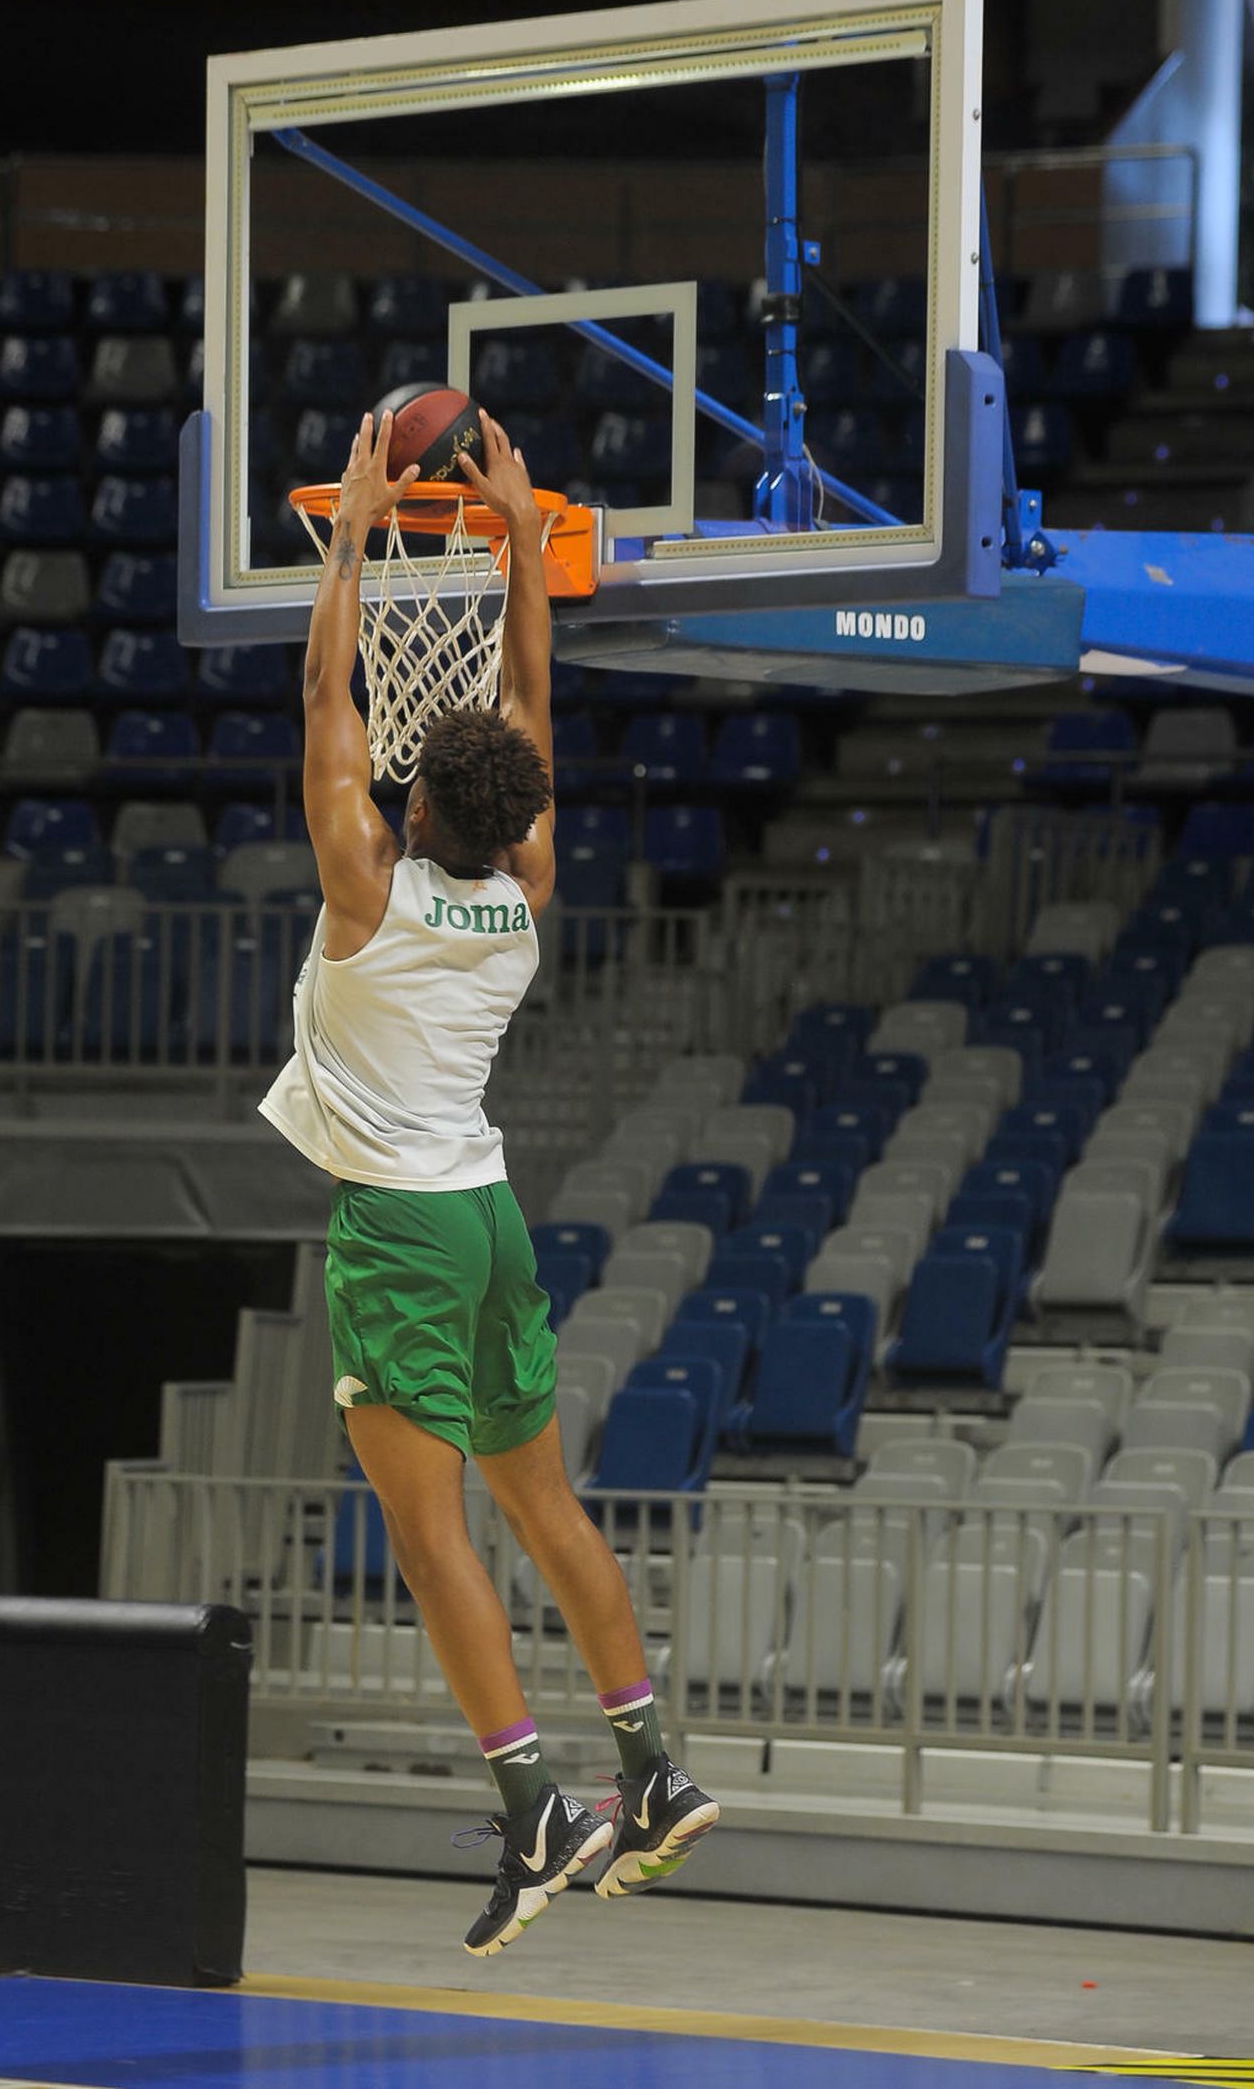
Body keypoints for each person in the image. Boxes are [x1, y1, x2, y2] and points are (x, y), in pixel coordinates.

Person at [260, 406, 717, 1956]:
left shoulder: (362, 887)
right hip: (492, 1216)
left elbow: (331, 693)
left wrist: (350, 540)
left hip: (398, 1224)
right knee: (544, 1505)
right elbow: (525, 709)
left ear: (410, 807)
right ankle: (649, 1774)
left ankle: (534, 1809)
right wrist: (519, 540)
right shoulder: (521, 895)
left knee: (432, 1534)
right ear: (510, 822)